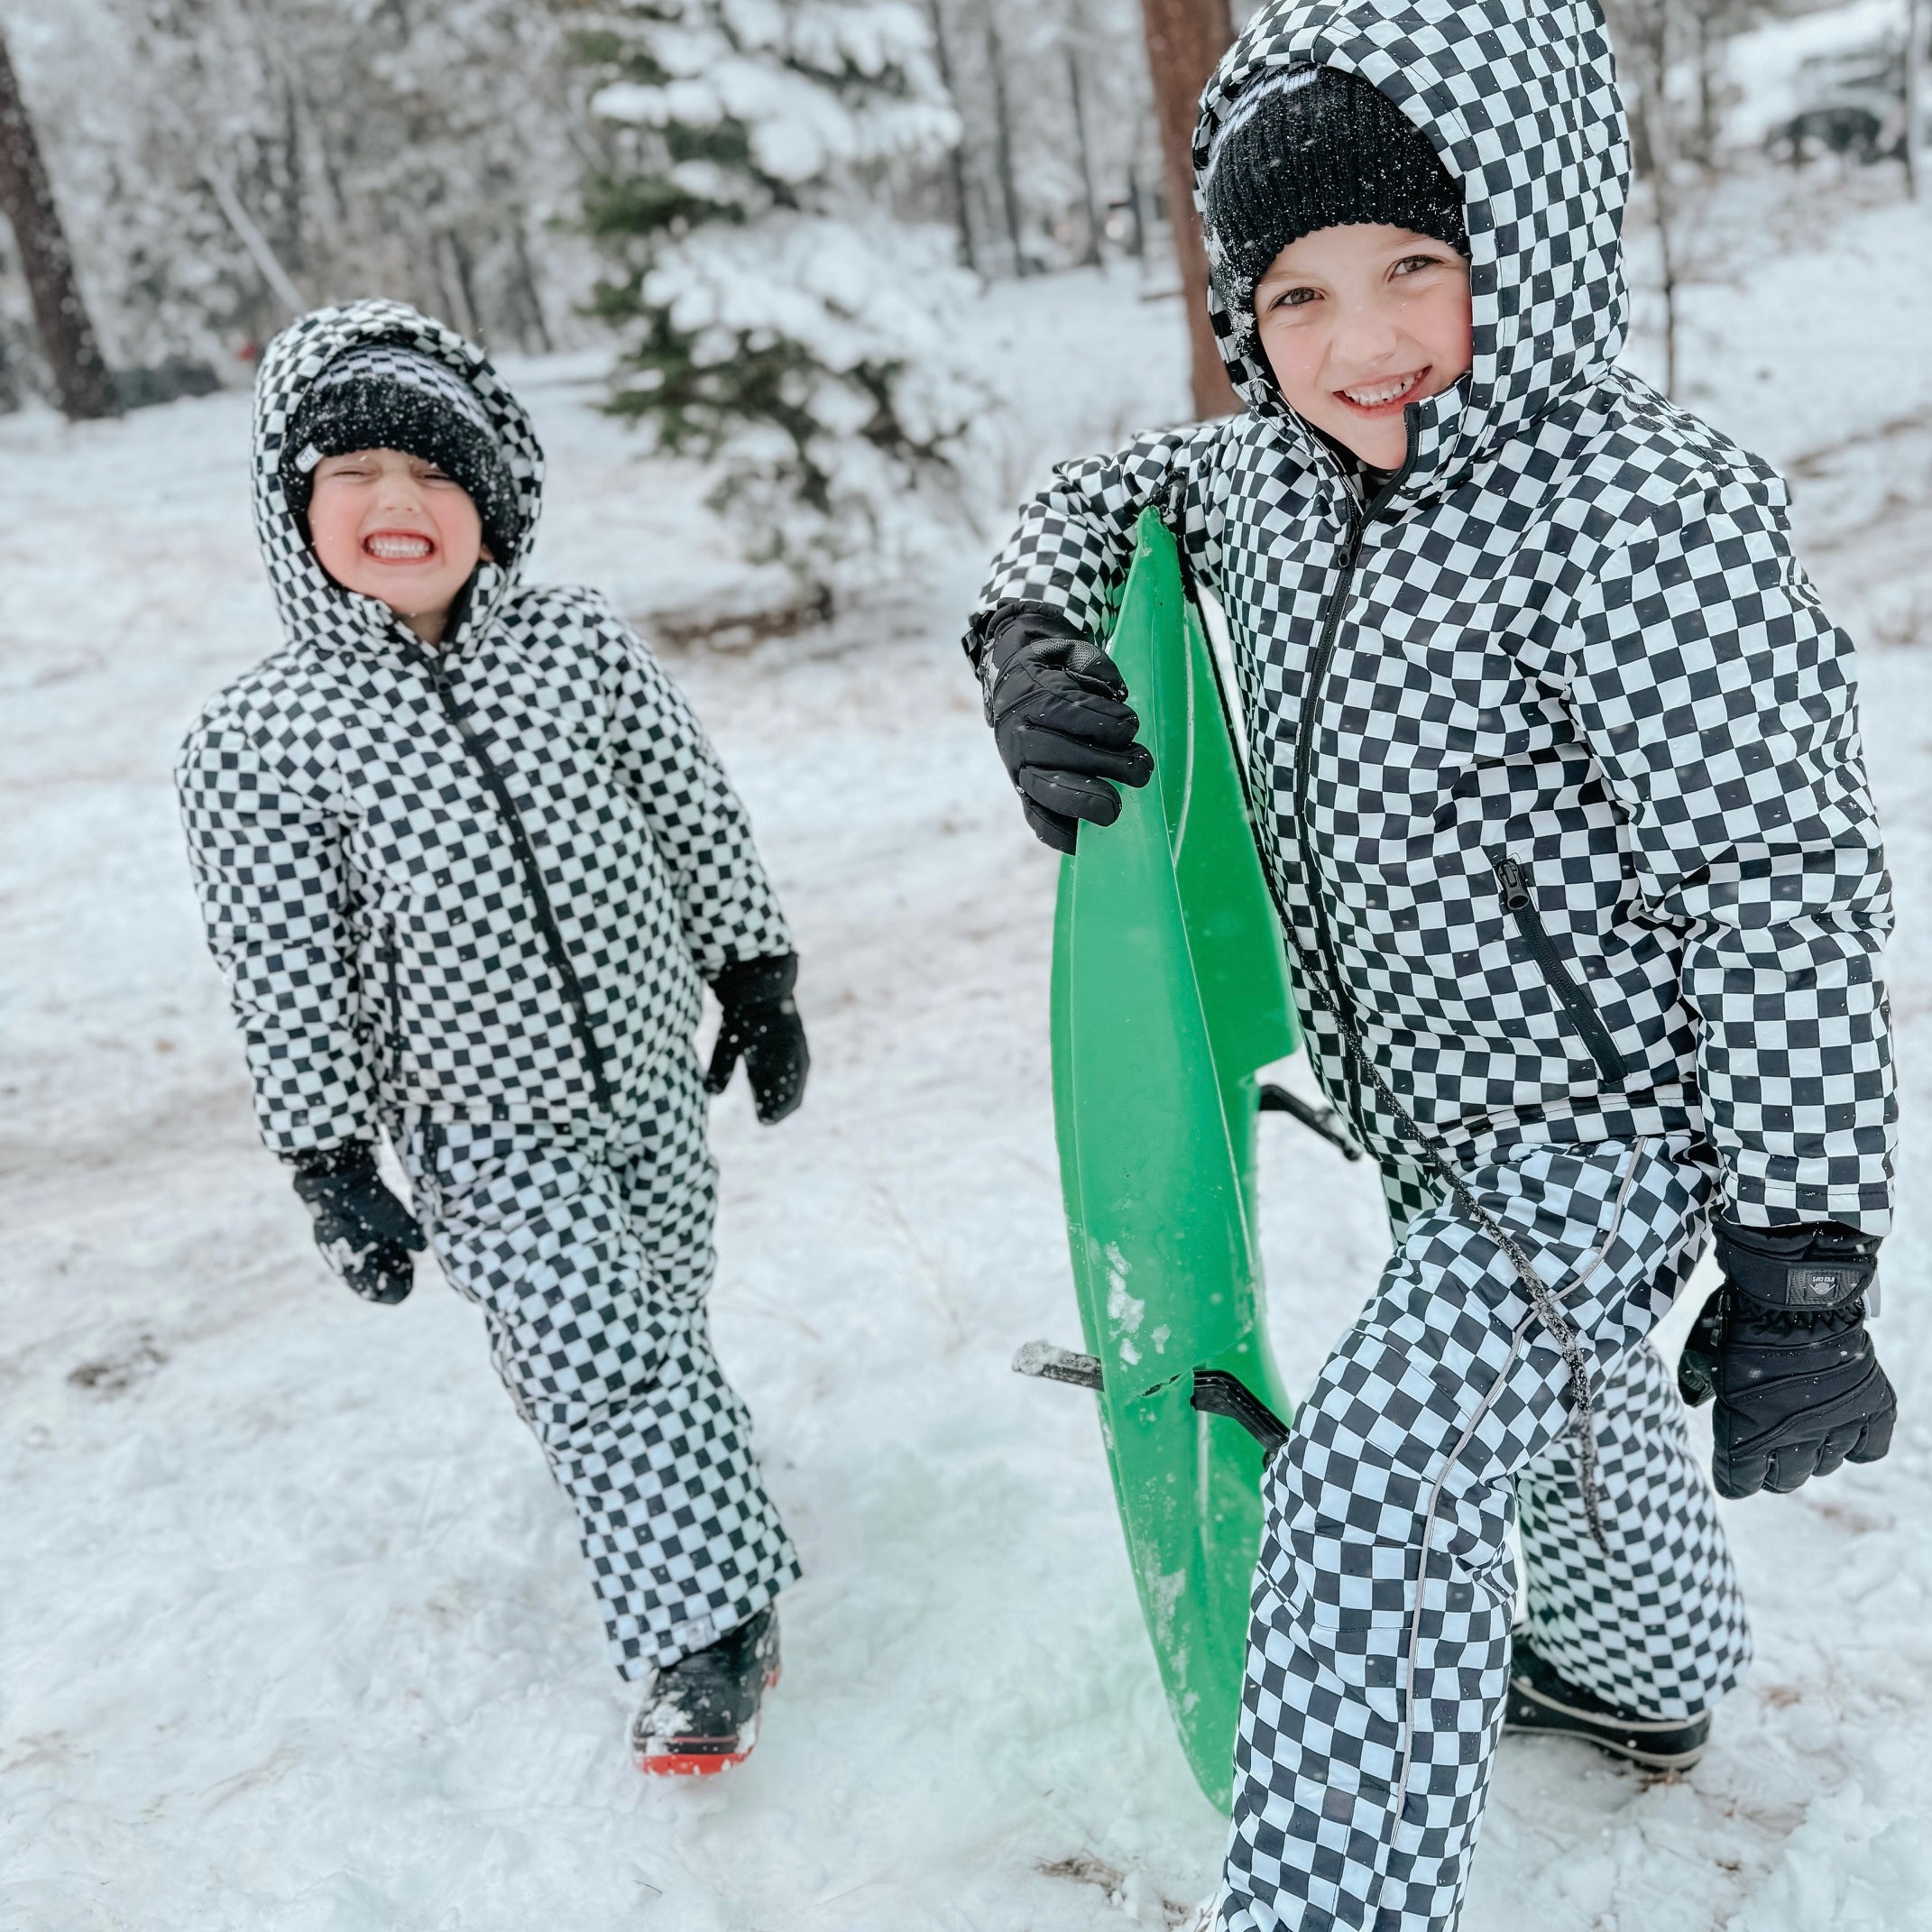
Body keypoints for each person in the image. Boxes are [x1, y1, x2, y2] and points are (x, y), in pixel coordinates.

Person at [968, 3, 1898, 1926]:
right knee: (1554, 1430)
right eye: (1292, 295)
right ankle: (1651, 1682)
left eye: (1417, 265)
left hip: (1606, 1131)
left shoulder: (1642, 510)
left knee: (1374, 1498)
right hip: (1430, 1115)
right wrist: (1029, 641)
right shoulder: (1275, 481)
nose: (1360, 341)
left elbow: (1778, 882)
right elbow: (1103, 495)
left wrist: (1803, 1265)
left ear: (1533, 234)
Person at [176, 299, 806, 1775]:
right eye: (353, 474)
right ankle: (701, 1630)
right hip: (484, 1122)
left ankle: (679, 1509)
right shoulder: (264, 739)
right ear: (293, 509)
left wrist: (757, 972)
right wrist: (327, 1155)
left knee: (655, 1317)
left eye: (436, 473)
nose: (398, 502)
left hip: (651, 1079)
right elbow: (287, 961)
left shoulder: (577, 644)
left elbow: (689, 807)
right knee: (599, 1357)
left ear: (495, 503)